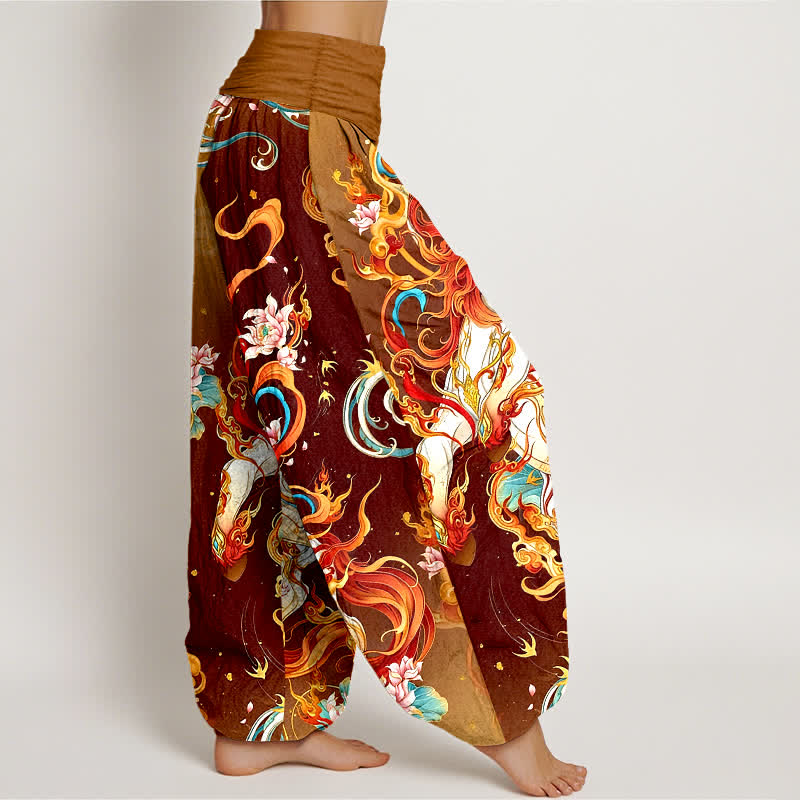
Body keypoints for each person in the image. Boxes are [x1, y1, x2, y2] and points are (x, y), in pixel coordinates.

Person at [186, 2, 588, 796]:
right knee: (470, 396)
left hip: (278, 126)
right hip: (298, 127)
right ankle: (502, 711)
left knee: (266, 426)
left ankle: (258, 714)